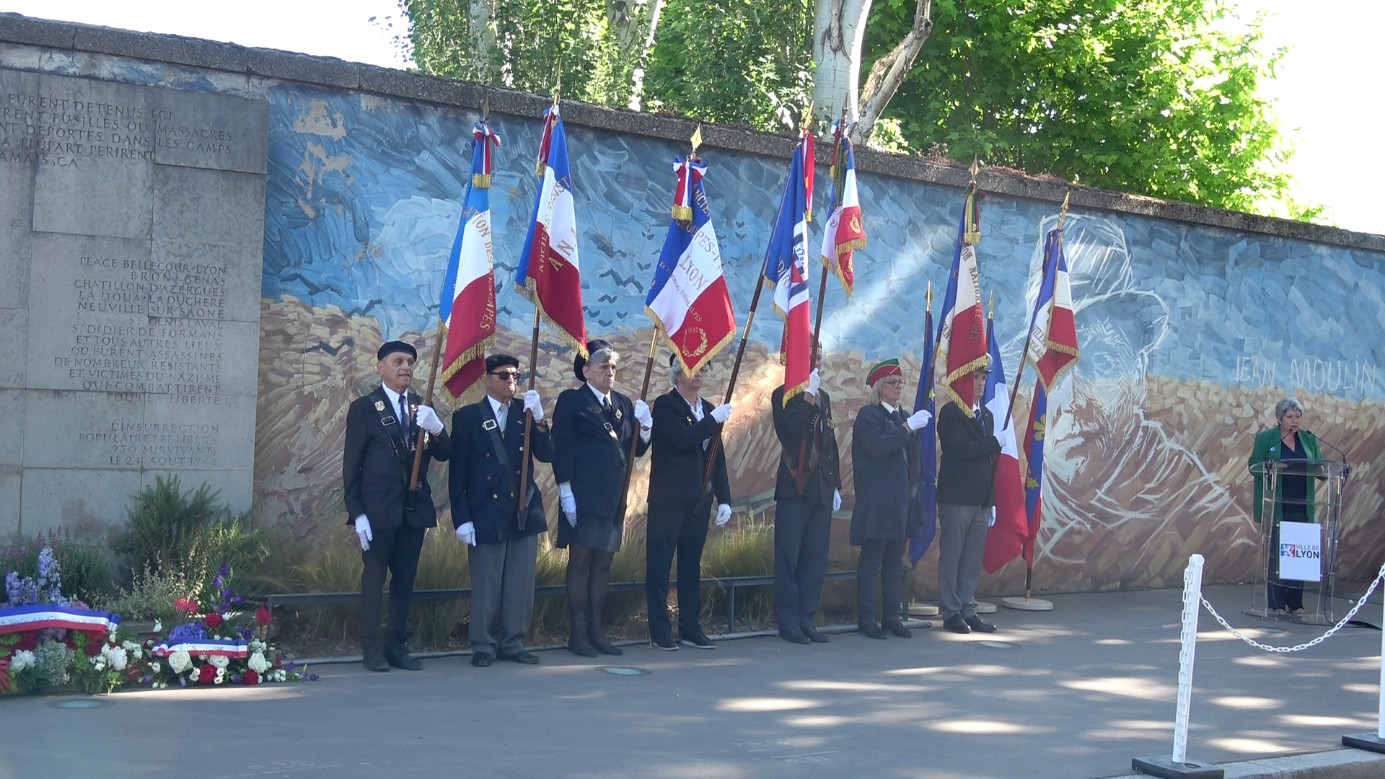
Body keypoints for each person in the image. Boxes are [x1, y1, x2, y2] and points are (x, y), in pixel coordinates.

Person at [343, 340, 451, 671]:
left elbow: (446, 452)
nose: (406, 367)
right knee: (374, 581)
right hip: (377, 512)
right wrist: (357, 512)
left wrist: (437, 428)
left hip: (413, 509)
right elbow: (351, 467)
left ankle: (396, 646)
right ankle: (372, 649)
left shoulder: (422, 408)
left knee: (404, 581)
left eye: (410, 362)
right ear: (381, 366)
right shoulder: (364, 409)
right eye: (398, 361)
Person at [448, 353, 553, 667]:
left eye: (516, 376)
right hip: (485, 511)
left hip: (522, 508)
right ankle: (483, 643)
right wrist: (462, 519)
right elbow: (458, 474)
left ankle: (513, 641)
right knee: (487, 581)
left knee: (519, 582)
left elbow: (548, 455)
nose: (512, 382)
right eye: (505, 375)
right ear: (488, 379)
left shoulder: (526, 412)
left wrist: (541, 420)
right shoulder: (468, 417)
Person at [552, 339, 652, 657]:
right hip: (582, 495)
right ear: (585, 371)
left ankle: (597, 632)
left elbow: (634, 448)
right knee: (581, 562)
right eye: (603, 366)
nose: (610, 372)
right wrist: (564, 489)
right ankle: (577, 634)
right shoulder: (572, 401)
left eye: (613, 367)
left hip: (612, 499)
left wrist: (646, 428)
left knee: (603, 566)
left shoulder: (621, 402)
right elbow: (562, 446)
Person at [646, 353, 734, 651]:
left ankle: (690, 627)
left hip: (699, 500)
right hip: (669, 499)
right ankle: (659, 630)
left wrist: (724, 498)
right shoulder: (665, 406)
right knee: (660, 565)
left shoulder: (708, 409)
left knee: (690, 566)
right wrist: (712, 421)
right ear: (676, 374)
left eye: (703, 368)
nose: (699, 373)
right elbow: (682, 439)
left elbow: (716, 458)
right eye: (691, 368)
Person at [850, 359, 932, 639]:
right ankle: (867, 617)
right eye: (892, 382)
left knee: (895, 561)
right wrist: (907, 428)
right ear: (879, 387)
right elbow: (878, 446)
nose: (899, 387)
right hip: (877, 502)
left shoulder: (902, 417)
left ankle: (892, 615)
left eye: (901, 383)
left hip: (900, 503)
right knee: (872, 560)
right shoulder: (869, 416)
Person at [770, 348, 841, 644]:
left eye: (820, 357)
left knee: (814, 558)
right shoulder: (783, 395)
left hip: (820, 488)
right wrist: (808, 396)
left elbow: (829, 443)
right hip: (795, 487)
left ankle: (807, 619)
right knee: (789, 557)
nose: (817, 362)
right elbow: (793, 432)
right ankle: (788, 622)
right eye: (811, 355)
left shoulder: (823, 396)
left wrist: (835, 483)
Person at [936, 359, 1005, 634]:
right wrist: (992, 443)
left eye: (983, 378)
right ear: (962, 380)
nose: (980, 383)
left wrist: (992, 498)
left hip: (980, 499)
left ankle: (967, 606)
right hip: (957, 497)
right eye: (975, 378)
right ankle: (951, 611)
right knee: (952, 556)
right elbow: (960, 449)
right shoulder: (952, 412)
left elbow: (989, 463)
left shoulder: (986, 416)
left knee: (972, 558)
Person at [1247, 398, 1321, 614]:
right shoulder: (1266, 439)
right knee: (1278, 556)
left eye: (1298, 416)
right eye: (1290, 417)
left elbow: (1319, 466)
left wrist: (1322, 471)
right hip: (1277, 506)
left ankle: (1295, 603)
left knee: (1300, 556)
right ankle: (1277, 603)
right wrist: (1271, 467)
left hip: (1302, 505)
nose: (1294, 421)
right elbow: (1253, 466)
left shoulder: (1309, 440)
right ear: (1279, 419)